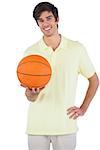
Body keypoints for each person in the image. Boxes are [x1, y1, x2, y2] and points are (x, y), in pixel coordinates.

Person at [23, 2, 99, 150]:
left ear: (57, 19)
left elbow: (94, 80)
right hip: (37, 126)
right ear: (37, 24)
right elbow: (29, 97)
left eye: (49, 18)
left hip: (66, 125)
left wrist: (83, 108)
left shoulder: (76, 49)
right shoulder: (31, 52)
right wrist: (32, 93)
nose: (45, 23)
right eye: (41, 20)